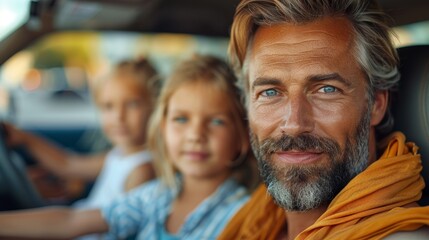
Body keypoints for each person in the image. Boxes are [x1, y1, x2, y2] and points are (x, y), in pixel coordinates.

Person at [217, 0, 429, 239]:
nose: (294, 124)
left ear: (376, 104)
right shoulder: (251, 221)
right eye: (270, 92)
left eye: (327, 90)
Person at [0, 54, 259, 239]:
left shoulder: (244, 216)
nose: (195, 134)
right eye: (181, 119)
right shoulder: (157, 196)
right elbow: (71, 221)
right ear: (162, 128)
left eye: (216, 121)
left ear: (243, 137)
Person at [4, 58, 159, 209]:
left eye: (132, 104)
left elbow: (121, 230)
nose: (119, 116)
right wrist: (25, 138)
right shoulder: (120, 155)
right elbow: (68, 164)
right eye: (108, 106)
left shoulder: (142, 170)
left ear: (155, 108)